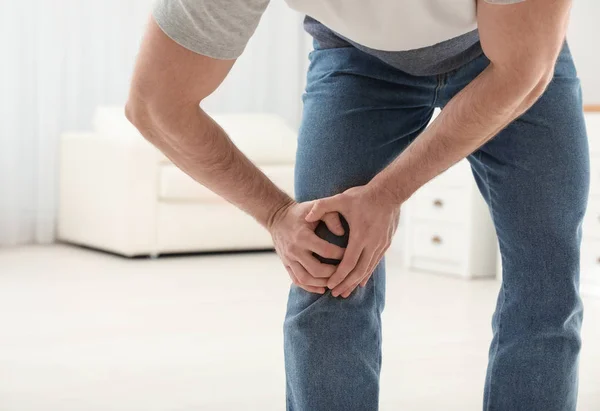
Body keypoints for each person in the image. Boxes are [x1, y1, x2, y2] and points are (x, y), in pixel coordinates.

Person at [125, 1, 586, 410]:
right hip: (359, 59)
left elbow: (521, 72)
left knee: (546, 279)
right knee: (326, 265)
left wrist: (387, 193)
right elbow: (154, 103)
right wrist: (276, 215)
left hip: (507, 58)